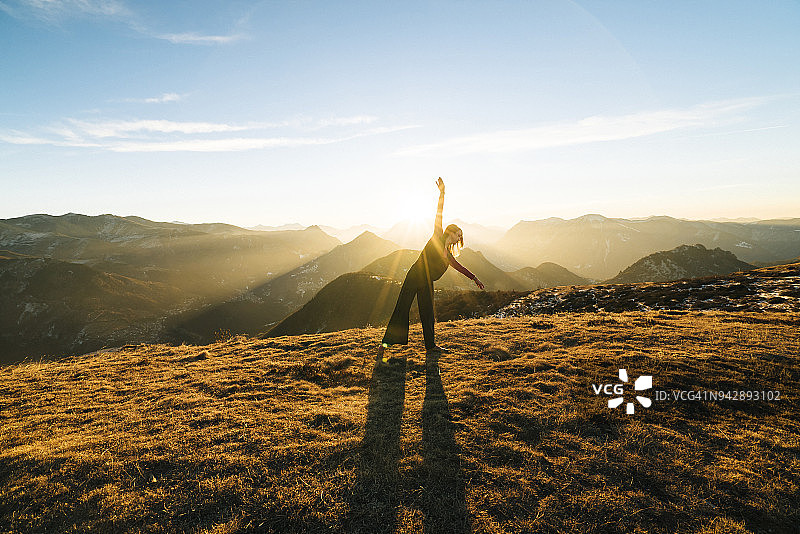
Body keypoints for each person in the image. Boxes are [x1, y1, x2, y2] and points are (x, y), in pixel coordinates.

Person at [378, 177, 484, 362]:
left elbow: (459, 267)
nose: (459, 238)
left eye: (460, 236)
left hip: (426, 281)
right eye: (457, 234)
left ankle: (431, 346)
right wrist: (442, 193)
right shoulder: (437, 236)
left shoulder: (449, 254)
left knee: (428, 313)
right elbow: (439, 214)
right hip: (414, 276)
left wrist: (474, 278)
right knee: (402, 307)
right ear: (449, 232)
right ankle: (386, 343)